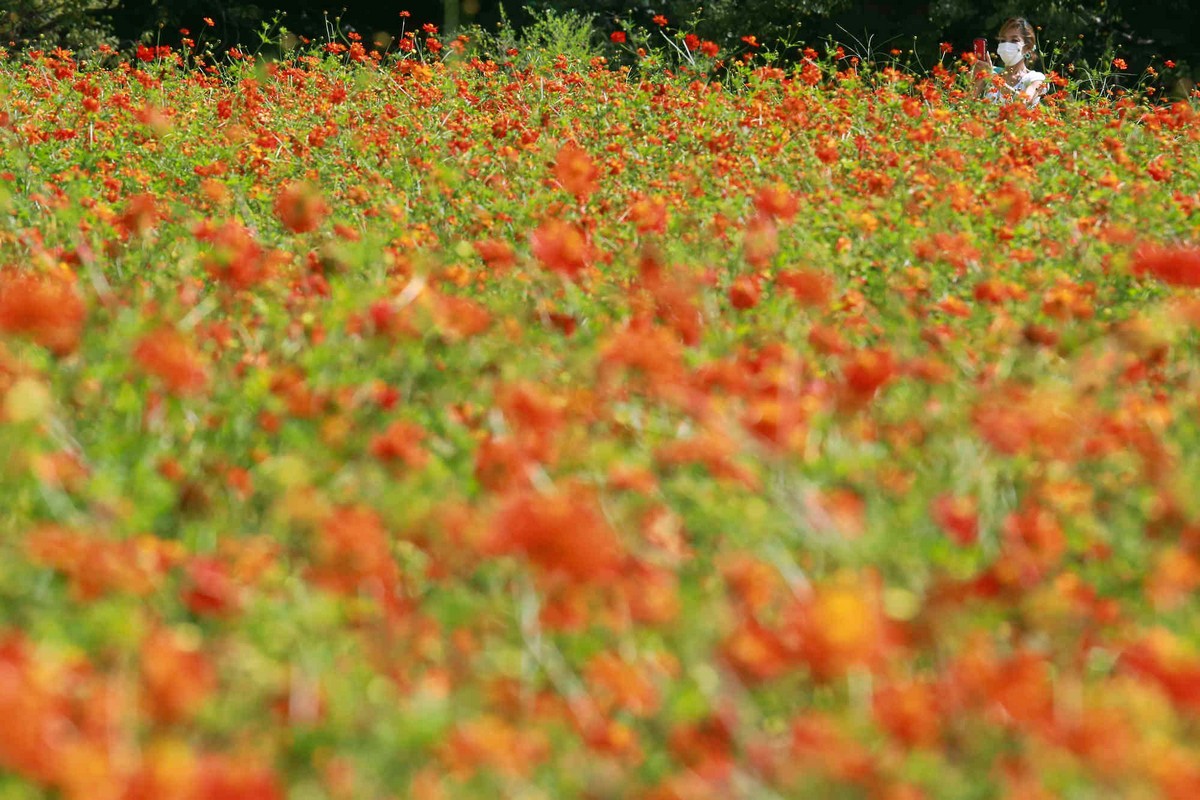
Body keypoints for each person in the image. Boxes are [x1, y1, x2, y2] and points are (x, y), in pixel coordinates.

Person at [973, 18, 1047, 106]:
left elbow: (1024, 101)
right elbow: (966, 107)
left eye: (1014, 40)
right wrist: (976, 81)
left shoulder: (1036, 78)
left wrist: (992, 77)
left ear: (1028, 48)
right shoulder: (990, 72)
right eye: (1003, 40)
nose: (1006, 45)